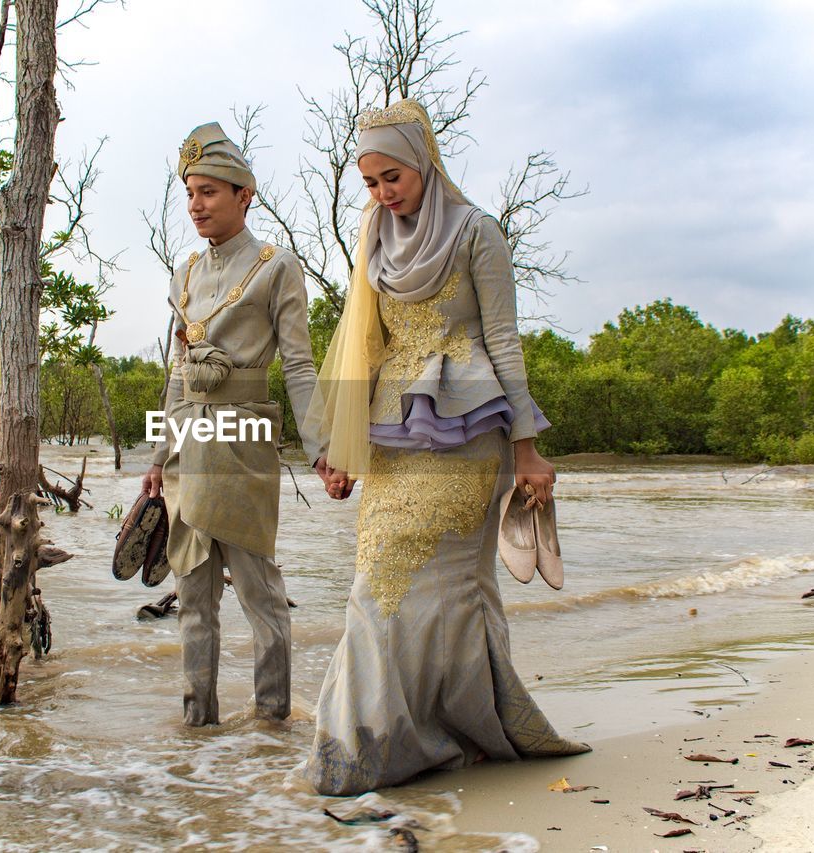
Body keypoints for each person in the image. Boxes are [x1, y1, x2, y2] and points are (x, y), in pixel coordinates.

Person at [303, 99, 590, 795]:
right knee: (377, 582)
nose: (382, 193)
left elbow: (505, 342)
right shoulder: (374, 234)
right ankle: (401, 737)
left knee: (453, 589)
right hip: (395, 435)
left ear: (424, 159)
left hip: (470, 436)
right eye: (370, 182)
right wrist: (339, 448)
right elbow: (365, 341)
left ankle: (408, 739)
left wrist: (527, 450)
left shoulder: (477, 233)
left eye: (392, 176)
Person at [143, 122, 326, 726]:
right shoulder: (186, 274)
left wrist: (321, 446)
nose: (196, 205)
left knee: (258, 590)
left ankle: (272, 723)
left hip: (246, 436)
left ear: (244, 195)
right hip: (189, 443)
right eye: (190, 193)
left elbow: (298, 364)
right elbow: (177, 371)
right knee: (193, 593)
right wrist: (156, 454)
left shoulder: (278, 267)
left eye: (209, 192)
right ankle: (198, 728)